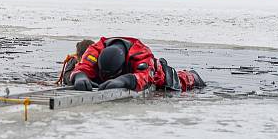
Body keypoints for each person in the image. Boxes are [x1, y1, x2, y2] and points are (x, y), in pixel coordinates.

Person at [69, 36, 206, 92]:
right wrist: (79, 75)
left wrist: (126, 79)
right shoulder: (95, 49)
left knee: (174, 82)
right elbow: (84, 65)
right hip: (120, 72)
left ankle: (193, 77)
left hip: (158, 76)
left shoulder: (141, 53)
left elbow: (145, 77)